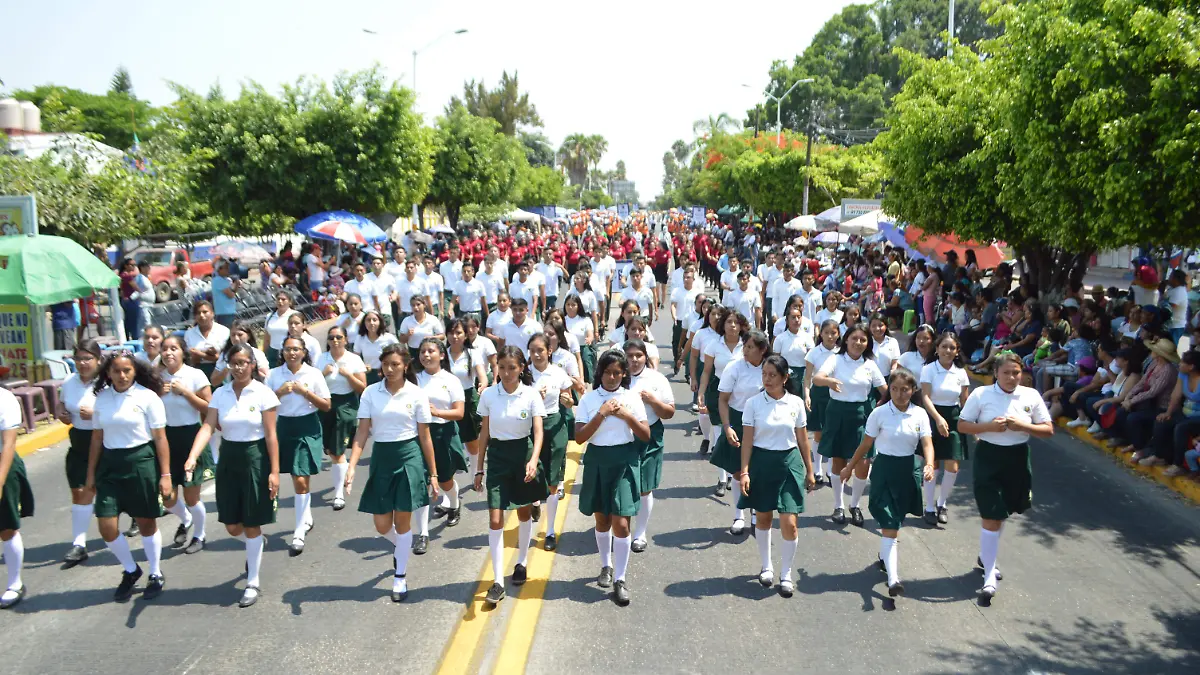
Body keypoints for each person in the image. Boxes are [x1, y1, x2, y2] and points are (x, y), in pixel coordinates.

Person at [957, 352, 1054, 603]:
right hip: (989, 458)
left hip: (1018, 459)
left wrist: (1023, 426)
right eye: (1006, 373)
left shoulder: (1030, 396)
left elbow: (1047, 430)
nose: (1012, 378)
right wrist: (988, 427)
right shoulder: (981, 395)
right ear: (996, 374)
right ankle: (989, 576)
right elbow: (963, 425)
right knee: (991, 515)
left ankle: (985, 556)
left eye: (1016, 373)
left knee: (1003, 512)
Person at [344, 345, 436, 603]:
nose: (390, 369)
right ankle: (403, 546)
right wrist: (351, 466)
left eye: (395, 364)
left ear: (405, 365)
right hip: (382, 460)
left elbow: (425, 436)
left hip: (409, 458)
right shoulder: (371, 393)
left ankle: (400, 575)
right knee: (382, 525)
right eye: (386, 365)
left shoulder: (416, 394)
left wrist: (433, 474)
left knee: (402, 522)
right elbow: (362, 432)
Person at [196, 343, 281, 607]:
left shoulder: (263, 393)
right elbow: (208, 426)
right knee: (232, 525)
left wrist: (275, 472)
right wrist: (192, 456)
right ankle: (255, 543)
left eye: (244, 362)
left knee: (252, 521)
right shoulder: (220, 395)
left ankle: (252, 582)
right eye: (234, 363)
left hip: (255, 458)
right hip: (229, 459)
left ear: (252, 364)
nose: (239, 367)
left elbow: (271, 435)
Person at [86, 350, 171, 601]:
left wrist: (165, 474)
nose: (122, 375)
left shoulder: (148, 398)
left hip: (141, 462)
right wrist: (90, 474)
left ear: (135, 372)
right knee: (107, 525)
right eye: (116, 371)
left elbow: (160, 438)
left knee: (146, 522)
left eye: (127, 371)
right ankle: (131, 570)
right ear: (108, 373)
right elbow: (97, 439)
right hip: (111, 466)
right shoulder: (101, 399)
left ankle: (155, 572)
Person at [842, 371, 932, 593]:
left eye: (905, 390)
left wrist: (929, 464)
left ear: (913, 391)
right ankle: (893, 579)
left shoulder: (920, 414)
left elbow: (927, 443)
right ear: (889, 389)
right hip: (884, 471)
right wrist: (849, 467)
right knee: (890, 524)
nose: (900, 394)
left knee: (897, 521)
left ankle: (884, 556)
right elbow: (865, 445)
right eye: (895, 389)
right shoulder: (879, 413)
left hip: (908, 472)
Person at [574, 349, 651, 606]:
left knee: (622, 523)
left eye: (617, 373)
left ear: (624, 374)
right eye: (607, 372)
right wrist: (603, 413)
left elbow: (645, 434)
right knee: (603, 519)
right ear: (600, 373)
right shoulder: (589, 398)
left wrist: (626, 415)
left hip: (624, 460)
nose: (612, 377)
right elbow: (580, 436)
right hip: (598, 460)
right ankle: (605, 566)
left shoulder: (631, 398)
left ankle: (620, 578)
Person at [737, 354, 816, 597]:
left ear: (784, 378)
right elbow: (748, 440)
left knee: (789, 522)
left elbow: (802, 438)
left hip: (789, 463)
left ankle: (786, 573)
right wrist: (745, 472)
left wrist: (810, 469)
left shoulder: (795, 403)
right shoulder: (753, 404)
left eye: (773, 375)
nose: (767, 379)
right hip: (762, 463)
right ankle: (767, 566)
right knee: (762, 517)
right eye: (764, 374)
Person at [474, 346, 547, 606]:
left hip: (523, 454)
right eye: (502, 367)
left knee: (524, 512)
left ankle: (521, 561)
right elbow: (484, 433)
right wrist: (479, 468)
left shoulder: (530, 394)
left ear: (521, 368)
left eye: (512, 367)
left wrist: (533, 460)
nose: (506, 372)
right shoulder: (489, 396)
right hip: (498, 458)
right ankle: (497, 581)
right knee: (495, 519)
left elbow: (538, 432)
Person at [814, 323, 888, 527]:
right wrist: (829, 382)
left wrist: (890, 405)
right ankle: (839, 506)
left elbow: (885, 389)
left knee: (863, 464)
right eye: (854, 338)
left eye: (863, 340)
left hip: (861, 416)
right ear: (846, 339)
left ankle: (855, 505)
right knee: (838, 461)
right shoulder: (835, 359)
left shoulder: (870, 364)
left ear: (867, 343)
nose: (858, 343)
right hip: (837, 413)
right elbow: (818, 378)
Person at [265, 335, 331, 556]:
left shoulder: (313, 374)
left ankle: (298, 531)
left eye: (296, 349)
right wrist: (279, 392)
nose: (291, 353)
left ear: (304, 352)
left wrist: (305, 392)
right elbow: (263, 405)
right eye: (287, 349)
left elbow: (326, 405)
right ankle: (306, 516)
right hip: (284, 427)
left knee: (301, 478)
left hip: (307, 426)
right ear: (282, 352)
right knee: (295, 477)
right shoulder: (274, 375)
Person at [158, 335, 214, 554]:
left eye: (174, 348)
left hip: (191, 437)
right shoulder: (156, 377)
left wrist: (186, 393)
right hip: (165, 439)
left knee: (191, 496)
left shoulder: (195, 375)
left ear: (183, 352)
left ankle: (199, 535)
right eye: (165, 349)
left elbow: (209, 408)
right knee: (167, 497)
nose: (169, 353)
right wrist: (156, 392)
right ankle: (186, 518)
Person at [711, 330, 770, 535]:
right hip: (738, 420)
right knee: (738, 471)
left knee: (757, 469)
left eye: (751, 347)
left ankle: (755, 512)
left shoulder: (770, 368)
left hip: (764, 423)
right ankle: (739, 515)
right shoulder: (734, 367)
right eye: (744, 346)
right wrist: (727, 427)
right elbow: (723, 400)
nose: (745, 350)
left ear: (762, 350)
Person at [415, 337, 468, 550]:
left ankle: (454, 504)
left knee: (445, 480)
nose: (426, 355)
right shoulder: (413, 379)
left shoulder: (450, 380)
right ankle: (422, 533)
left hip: (442, 433)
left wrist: (437, 412)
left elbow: (459, 412)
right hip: (418, 434)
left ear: (441, 355)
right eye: (422, 352)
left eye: (431, 351)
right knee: (421, 483)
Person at [55, 340, 103, 565]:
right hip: (79, 443)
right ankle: (79, 544)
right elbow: (62, 405)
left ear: (98, 360)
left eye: (88, 359)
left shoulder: (107, 382)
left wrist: (95, 413)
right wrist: (62, 414)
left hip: (105, 442)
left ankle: (134, 517)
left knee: (112, 491)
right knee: (80, 492)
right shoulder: (69, 382)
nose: (83, 364)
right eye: (79, 359)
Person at [625, 338, 675, 553]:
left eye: (639, 356)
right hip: (624, 437)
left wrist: (653, 401)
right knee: (626, 484)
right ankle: (622, 529)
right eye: (630, 356)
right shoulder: (618, 377)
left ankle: (640, 533)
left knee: (645, 487)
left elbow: (669, 412)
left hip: (650, 435)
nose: (634, 360)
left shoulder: (657, 379)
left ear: (646, 356)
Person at [527, 334, 575, 550]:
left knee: (553, 481)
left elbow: (568, 398)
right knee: (532, 475)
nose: (537, 354)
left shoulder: (558, 373)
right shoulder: (523, 374)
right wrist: (533, 395)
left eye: (540, 350)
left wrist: (568, 400)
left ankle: (549, 531)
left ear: (549, 351)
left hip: (554, 424)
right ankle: (535, 503)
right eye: (532, 350)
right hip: (528, 425)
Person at [919, 333, 972, 526]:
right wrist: (938, 418)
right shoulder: (929, 369)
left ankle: (942, 504)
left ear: (957, 351)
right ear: (937, 348)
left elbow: (965, 400)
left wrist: (972, 423)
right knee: (932, 465)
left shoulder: (961, 372)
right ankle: (929, 507)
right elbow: (925, 397)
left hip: (955, 419)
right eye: (944, 347)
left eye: (952, 348)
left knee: (953, 466)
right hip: (934, 416)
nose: (948, 351)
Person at [316, 325, 367, 511]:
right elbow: (313, 384)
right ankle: (342, 470)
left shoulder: (353, 359)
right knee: (330, 449)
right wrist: (323, 373)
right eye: (331, 337)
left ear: (345, 339)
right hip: (325, 404)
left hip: (346, 405)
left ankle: (339, 493)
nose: (335, 340)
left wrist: (348, 375)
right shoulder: (321, 359)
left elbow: (362, 387)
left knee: (337, 451)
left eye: (339, 337)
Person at [699, 308, 748, 497]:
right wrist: (701, 392)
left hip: (742, 393)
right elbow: (706, 371)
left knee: (740, 435)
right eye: (729, 322)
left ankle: (738, 472)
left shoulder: (747, 345)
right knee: (720, 432)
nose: (732, 326)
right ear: (723, 325)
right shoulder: (714, 345)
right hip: (719, 391)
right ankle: (722, 478)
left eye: (736, 322)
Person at [804, 320, 842, 485]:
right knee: (818, 433)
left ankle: (831, 469)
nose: (830, 336)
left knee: (833, 432)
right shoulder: (813, 353)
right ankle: (817, 469)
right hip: (818, 395)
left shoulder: (842, 352)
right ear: (821, 334)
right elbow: (807, 379)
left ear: (838, 334)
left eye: (833, 333)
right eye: (826, 332)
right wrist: (807, 395)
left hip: (836, 395)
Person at [0, 386, 28, 608]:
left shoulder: (5, 399)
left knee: (7, 527)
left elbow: (9, 443)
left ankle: (15, 583)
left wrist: (0, 481)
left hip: (2, 464)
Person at [211, 321, 270, 387]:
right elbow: (214, 382)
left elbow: (266, 379)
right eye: (233, 335)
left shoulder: (257, 354)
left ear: (248, 336)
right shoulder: (225, 355)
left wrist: (250, 368)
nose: (236, 338)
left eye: (240, 335)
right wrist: (228, 368)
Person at [184, 301, 231, 380]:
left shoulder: (224, 331)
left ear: (212, 313)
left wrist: (199, 354)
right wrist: (209, 356)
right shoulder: (189, 334)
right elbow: (190, 358)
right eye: (198, 313)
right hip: (197, 372)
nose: (202, 315)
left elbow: (223, 356)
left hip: (220, 371)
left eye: (205, 312)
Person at [355, 311, 401, 385]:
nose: (372, 323)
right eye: (368, 320)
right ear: (364, 323)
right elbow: (355, 358)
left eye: (375, 320)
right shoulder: (360, 338)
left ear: (380, 322)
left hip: (387, 373)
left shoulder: (389, 338)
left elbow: (400, 354)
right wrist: (362, 366)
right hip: (368, 374)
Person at [398, 296, 446, 366]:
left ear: (424, 305)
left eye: (418, 304)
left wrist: (431, 338)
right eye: (413, 305)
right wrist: (407, 335)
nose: (416, 307)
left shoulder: (432, 319)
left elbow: (442, 336)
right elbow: (401, 340)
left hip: (429, 352)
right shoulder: (407, 321)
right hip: (413, 352)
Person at [265, 292, 299, 367]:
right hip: (272, 352)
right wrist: (265, 354)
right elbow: (267, 338)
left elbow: (300, 335)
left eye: (283, 299)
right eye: (278, 299)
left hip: (289, 351)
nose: (280, 301)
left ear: (290, 302)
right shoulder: (270, 316)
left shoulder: (295, 315)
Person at [211, 259, 240, 327]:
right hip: (223, 313)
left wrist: (236, 284)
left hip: (230, 311)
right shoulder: (218, 280)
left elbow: (233, 292)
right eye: (226, 268)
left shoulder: (226, 280)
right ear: (219, 269)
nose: (228, 269)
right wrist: (235, 285)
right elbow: (230, 295)